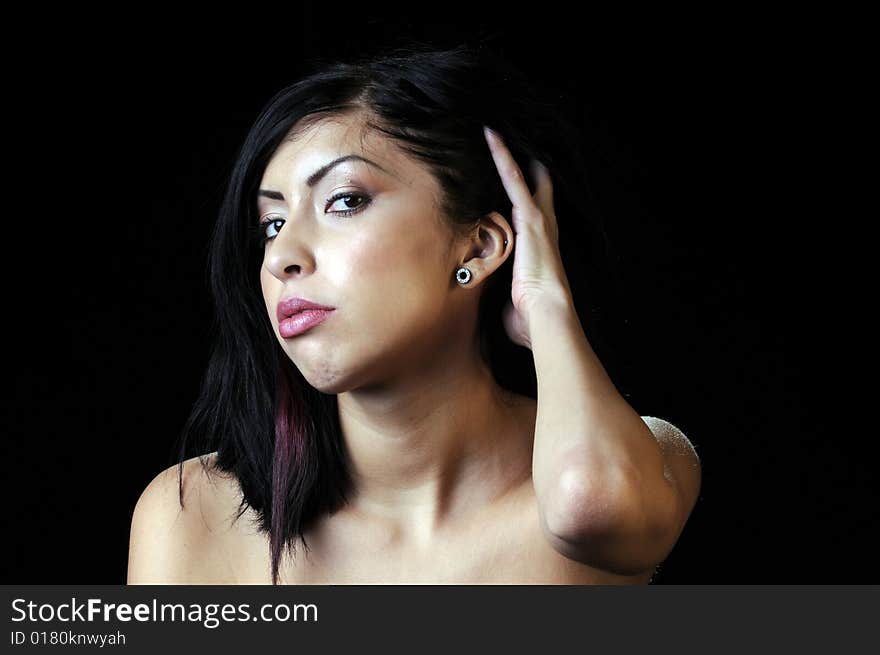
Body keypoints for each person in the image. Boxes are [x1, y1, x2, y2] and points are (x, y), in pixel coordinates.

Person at [127, 43, 701, 585]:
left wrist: (546, 306)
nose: (280, 257)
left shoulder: (631, 458)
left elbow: (592, 508)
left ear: (477, 246)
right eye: (272, 225)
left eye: (344, 201)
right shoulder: (193, 514)